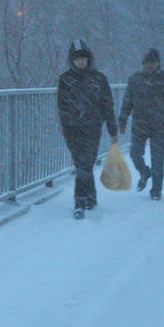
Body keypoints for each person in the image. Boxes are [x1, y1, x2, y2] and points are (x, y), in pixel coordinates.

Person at [57, 39, 118, 220]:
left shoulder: (99, 79)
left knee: (86, 164)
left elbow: (107, 105)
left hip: (93, 129)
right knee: (81, 164)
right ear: (72, 60)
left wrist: (112, 129)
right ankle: (83, 200)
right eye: (77, 59)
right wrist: (69, 126)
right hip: (73, 130)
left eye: (83, 58)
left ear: (89, 59)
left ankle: (86, 199)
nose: (81, 62)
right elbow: (62, 107)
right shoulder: (66, 80)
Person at [118, 48, 164, 201]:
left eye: (153, 63)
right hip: (139, 124)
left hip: (159, 125)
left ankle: (156, 190)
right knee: (134, 153)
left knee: (157, 159)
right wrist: (123, 119)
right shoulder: (135, 79)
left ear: (158, 64)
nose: (150, 66)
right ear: (143, 64)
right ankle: (145, 172)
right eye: (147, 63)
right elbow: (128, 101)